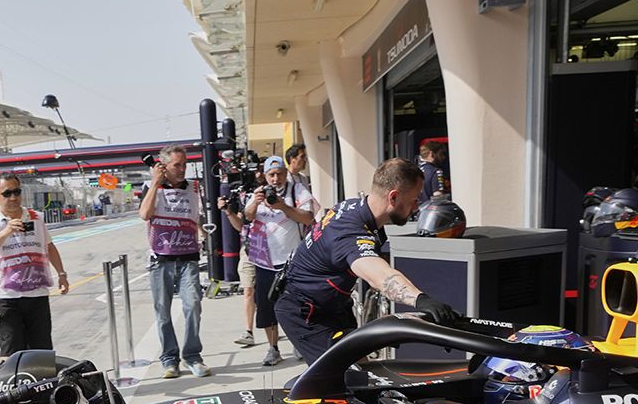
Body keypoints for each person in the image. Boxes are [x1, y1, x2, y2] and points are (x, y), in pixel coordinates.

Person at [277, 158, 466, 365]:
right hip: (307, 311)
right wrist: (422, 301)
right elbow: (378, 275)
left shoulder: (356, 208)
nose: (416, 207)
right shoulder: (350, 233)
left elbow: (377, 260)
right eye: (414, 199)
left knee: (363, 369)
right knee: (341, 379)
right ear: (393, 197)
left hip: (333, 304)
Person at [226, 155, 317, 366]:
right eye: (271, 175)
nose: (275, 179)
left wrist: (284, 207)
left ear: (286, 173)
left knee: (298, 305)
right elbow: (247, 218)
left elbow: (309, 218)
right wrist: (255, 204)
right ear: (265, 176)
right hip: (264, 260)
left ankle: (298, 342)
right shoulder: (258, 193)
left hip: (293, 260)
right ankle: (273, 348)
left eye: (279, 174)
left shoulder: (297, 190)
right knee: (267, 307)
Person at [0, 176, 69, 357]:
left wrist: (62, 274)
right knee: (11, 351)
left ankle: (43, 384)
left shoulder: (35, 217)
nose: (13, 197)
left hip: (37, 293)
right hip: (6, 297)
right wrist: (8, 230)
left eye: (16, 192)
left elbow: (49, 246)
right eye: (7, 193)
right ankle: (13, 385)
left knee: (42, 350)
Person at [139, 144, 209, 378]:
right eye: (176, 165)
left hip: (188, 257)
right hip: (161, 259)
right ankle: (170, 358)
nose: (182, 169)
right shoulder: (152, 187)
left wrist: (202, 230)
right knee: (163, 312)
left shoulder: (193, 188)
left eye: (184, 164)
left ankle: (192, 356)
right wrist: (156, 183)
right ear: (163, 167)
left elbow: (194, 215)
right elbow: (144, 214)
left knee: (193, 305)